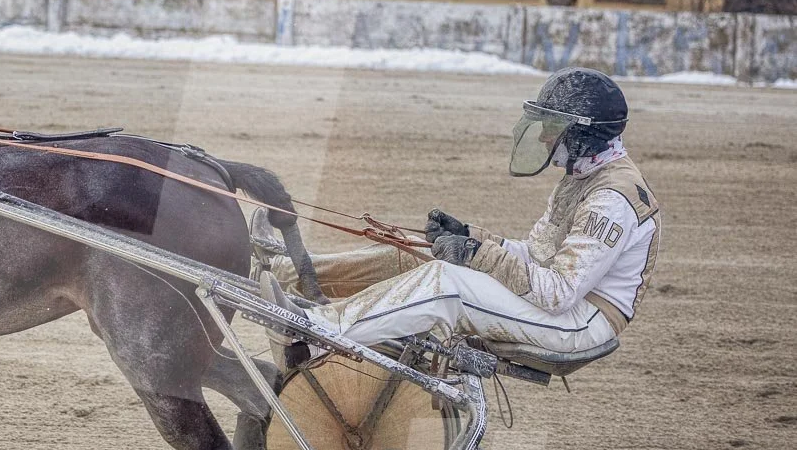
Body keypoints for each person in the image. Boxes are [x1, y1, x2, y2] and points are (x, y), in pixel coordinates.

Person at [260, 68, 660, 362]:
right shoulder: (583, 175)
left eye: (552, 128)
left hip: (581, 323)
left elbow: (556, 292)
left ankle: (318, 332)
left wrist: (475, 254)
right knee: (419, 251)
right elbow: (534, 255)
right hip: (564, 305)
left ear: (582, 135)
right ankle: (289, 272)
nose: (542, 136)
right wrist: (473, 236)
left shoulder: (611, 199)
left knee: (446, 283)